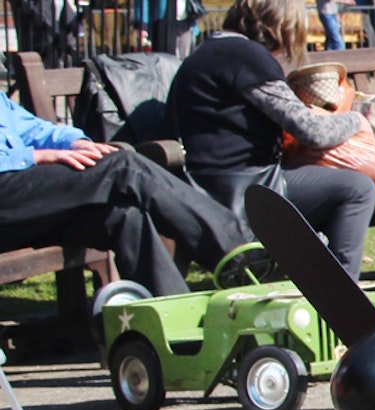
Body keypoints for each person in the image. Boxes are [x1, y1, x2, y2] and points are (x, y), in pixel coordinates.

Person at [169, 0, 375, 279]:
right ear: (278, 26)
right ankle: (341, 296)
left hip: (208, 185)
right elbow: (312, 131)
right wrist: (357, 120)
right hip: (246, 190)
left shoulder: (208, 52)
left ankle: (307, 281)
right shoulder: (245, 55)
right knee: (357, 189)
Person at [0, 95, 253, 299]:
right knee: (123, 167)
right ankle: (243, 257)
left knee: (123, 215)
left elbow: (32, 128)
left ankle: (172, 319)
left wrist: (74, 142)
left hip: (19, 197)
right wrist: (35, 156)